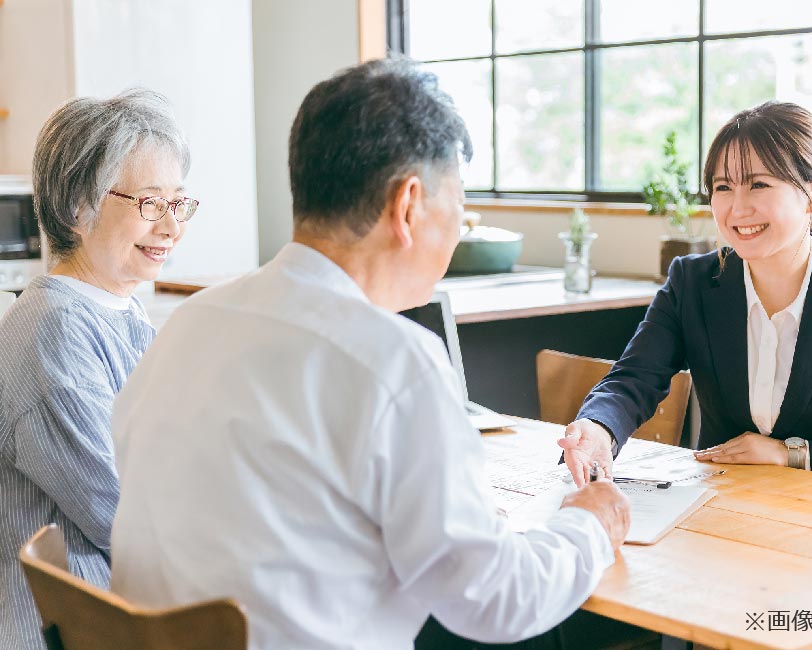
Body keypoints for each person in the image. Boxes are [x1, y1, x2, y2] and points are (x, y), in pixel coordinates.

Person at [109, 58, 630, 650]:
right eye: (457, 204)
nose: (458, 228)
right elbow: (492, 599)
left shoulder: (190, 323)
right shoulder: (393, 362)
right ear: (408, 205)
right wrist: (589, 522)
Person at [560, 100, 812, 649]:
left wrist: (792, 452)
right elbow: (633, 379)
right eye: (722, 188)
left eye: (758, 185)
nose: (736, 208)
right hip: (718, 541)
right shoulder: (693, 284)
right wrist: (598, 427)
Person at [0, 89, 196, 650]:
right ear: (77, 209)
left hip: (124, 612)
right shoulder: (53, 329)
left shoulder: (118, 307)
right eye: (150, 203)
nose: (170, 226)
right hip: (79, 630)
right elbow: (123, 511)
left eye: (178, 203)